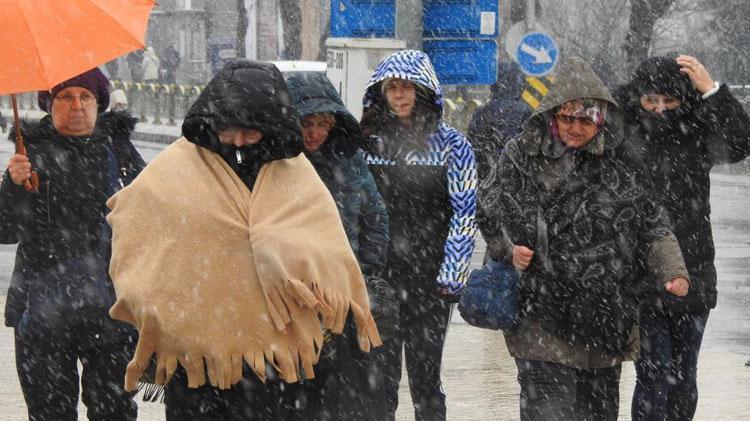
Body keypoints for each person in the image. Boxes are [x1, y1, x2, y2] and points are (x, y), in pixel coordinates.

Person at [104, 60, 381, 420]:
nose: (237, 141)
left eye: (250, 132)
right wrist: (151, 303)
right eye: (227, 129)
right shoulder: (176, 168)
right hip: (196, 354)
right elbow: (135, 227)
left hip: (273, 356)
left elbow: (327, 249)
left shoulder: (294, 174)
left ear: (271, 128)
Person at [476, 56, 690, 421]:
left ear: (602, 118)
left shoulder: (621, 161)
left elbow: (651, 222)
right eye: (567, 117)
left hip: (605, 319)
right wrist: (508, 249)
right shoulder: (523, 154)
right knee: (548, 412)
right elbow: (488, 207)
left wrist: (673, 270)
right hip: (540, 315)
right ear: (553, 115)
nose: (575, 127)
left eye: (586, 119)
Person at [0, 68, 145, 420]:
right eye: (65, 97)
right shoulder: (29, 154)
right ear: (49, 104)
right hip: (41, 313)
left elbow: (151, 223)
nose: (76, 105)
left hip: (112, 311)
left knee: (114, 411)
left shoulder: (119, 153)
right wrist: (13, 186)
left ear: (99, 103)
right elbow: (5, 232)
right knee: (49, 412)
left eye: (85, 97)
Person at [613, 55, 750, 421]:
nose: (659, 109)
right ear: (638, 98)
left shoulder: (697, 132)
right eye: (651, 101)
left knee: (684, 375)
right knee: (653, 374)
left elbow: (741, 143)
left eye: (669, 101)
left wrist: (712, 91)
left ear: (682, 100)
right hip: (641, 272)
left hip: (694, 268)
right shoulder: (622, 133)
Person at [359, 49, 478, 421]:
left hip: (431, 281)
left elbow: (464, 212)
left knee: (426, 380)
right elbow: (352, 210)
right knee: (378, 381)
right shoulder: (366, 144)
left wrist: (452, 275)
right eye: (392, 87)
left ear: (424, 90)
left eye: (407, 87)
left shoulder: (454, 146)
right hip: (378, 280)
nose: (399, 95)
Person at [285, 71, 391, 420]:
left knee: (338, 390)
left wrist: (367, 271)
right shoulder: (278, 163)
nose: (314, 133)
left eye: (323, 124)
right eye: (306, 123)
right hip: (293, 295)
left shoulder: (349, 161)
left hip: (341, 291)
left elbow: (375, 217)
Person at [467, 60, 532, 181]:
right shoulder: (526, 112)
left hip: (485, 176)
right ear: (520, 84)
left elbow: (472, 146)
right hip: (515, 176)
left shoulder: (482, 111)